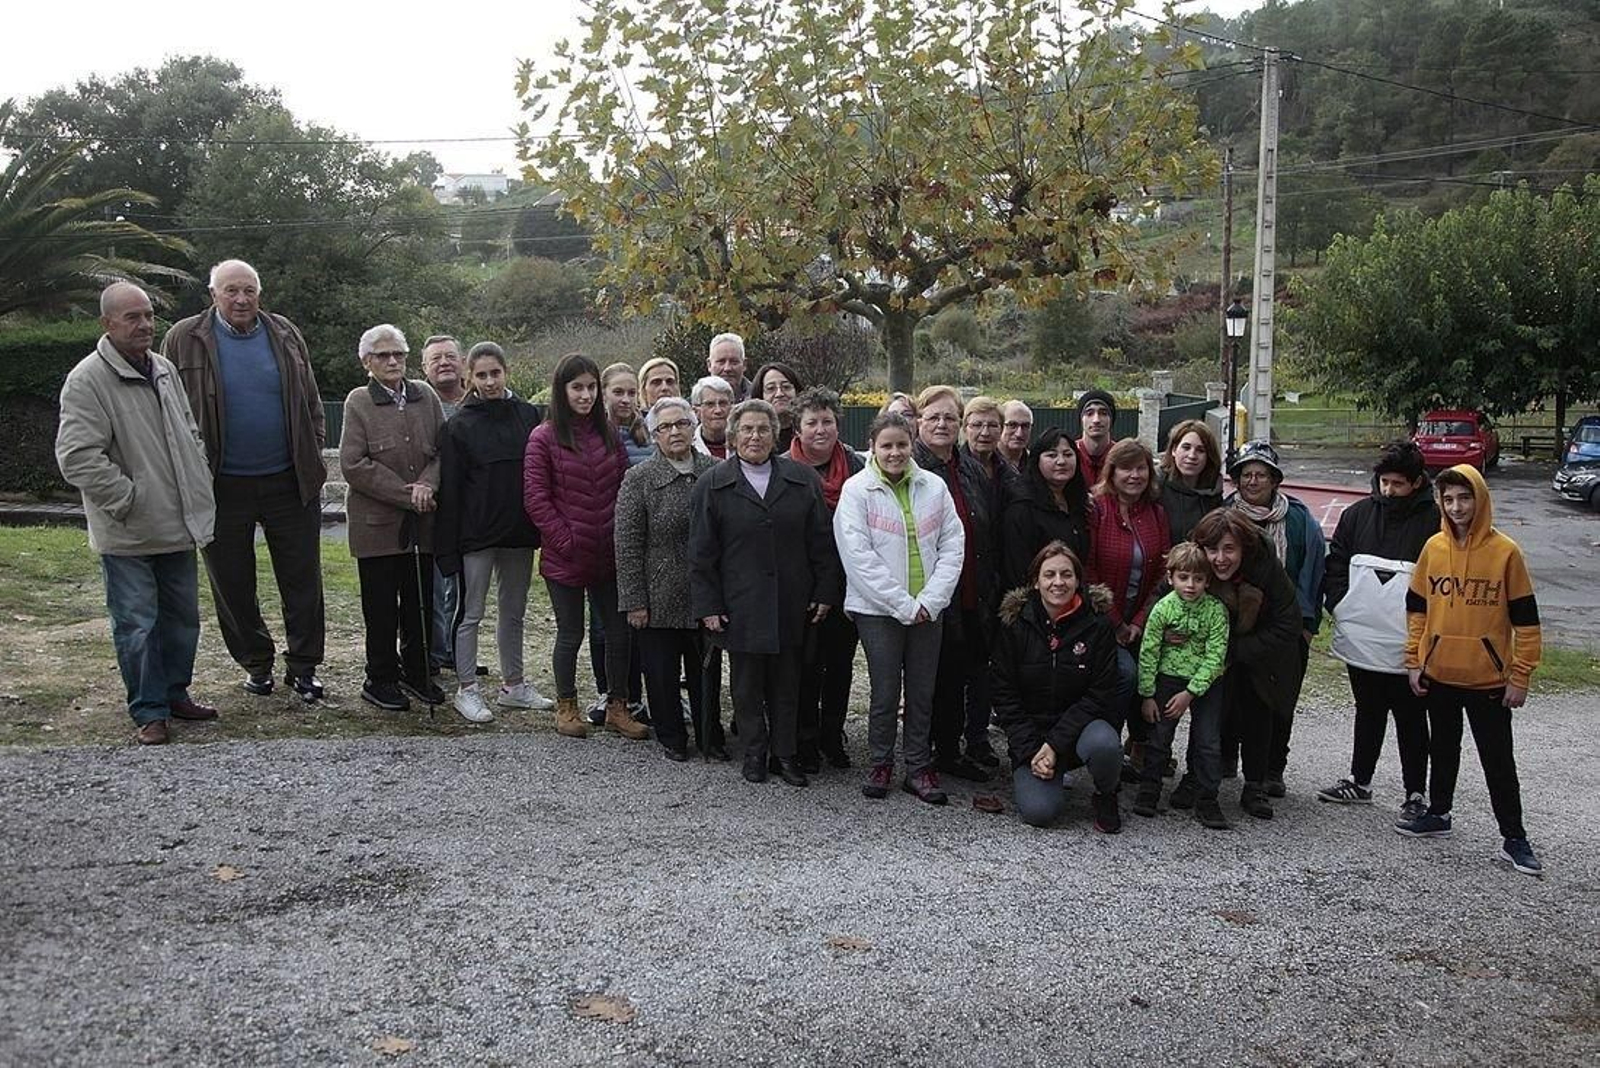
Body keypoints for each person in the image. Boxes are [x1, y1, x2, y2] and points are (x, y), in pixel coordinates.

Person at [56, 283, 218, 746]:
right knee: (137, 625)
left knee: (183, 620)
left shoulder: (163, 368)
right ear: (107, 324)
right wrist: (129, 498)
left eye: (148, 315)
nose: (145, 325)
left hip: (178, 524)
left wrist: (197, 473)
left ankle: (175, 694)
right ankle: (149, 711)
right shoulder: (87, 380)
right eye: (132, 317)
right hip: (128, 531)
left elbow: (189, 431)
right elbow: (77, 457)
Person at [163, 259, 327, 702]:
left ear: (260, 293)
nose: (241, 299)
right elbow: (168, 408)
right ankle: (256, 664)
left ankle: (304, 667)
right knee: (233, 584)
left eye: (249, 290)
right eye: (231, 291)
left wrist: (313, 448)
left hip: (289, 481)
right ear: (213, 294)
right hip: (219, 484)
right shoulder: (183, 338)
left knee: (303, 580)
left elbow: (311, 399)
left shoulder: (285, 332)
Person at [1398, 465, 1543, 878]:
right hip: (1439, 673)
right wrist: (1415, 661)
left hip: (1489, 680)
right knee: (1442, 749)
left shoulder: (1505, 553)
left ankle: (1514, 838)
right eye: (1449, 499)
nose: (1457, 507)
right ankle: (1439, 814)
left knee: (1498, 761)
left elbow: (1526, 621)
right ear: (1440, 503)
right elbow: (1417, 609)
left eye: (1465, 498)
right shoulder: (1434, 549)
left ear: (1479, 500)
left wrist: (1520, 674)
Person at [689, 399, 841, 787]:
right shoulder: (713, 483)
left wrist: (825, 592)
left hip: (793, 601)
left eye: (762, 429)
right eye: (747, 429)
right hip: (741, 605)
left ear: (776, 435)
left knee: (788, 683)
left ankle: (784, 754)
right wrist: (708, 605)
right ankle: (754, 752)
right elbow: (701, 553)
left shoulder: (802, 479)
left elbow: (822, 542)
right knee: (747, 684)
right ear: (734, 434)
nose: (754, 436)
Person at [835, 412, 965, 804]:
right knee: (885, 690)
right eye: (886, 445)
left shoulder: (934, 487)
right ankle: (880, 762)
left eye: (902, 444)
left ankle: (919, 767)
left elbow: (952, 545)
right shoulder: (856, 491)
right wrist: (902, 605)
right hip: (878, 611)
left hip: (928, 609)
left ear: (912, 445)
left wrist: (930, 601)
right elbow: (858, 557)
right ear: (872, 448)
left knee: (923, 691)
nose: (895, 452)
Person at [523, 354, 649, 742]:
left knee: (618, 633)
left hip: (609, 554)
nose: (586, 394)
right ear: (562, 390)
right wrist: (566, 539)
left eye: (592, 387)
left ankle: (617, 706)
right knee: (570, 635)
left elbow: (625, 488)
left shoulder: (610, 434)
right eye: (577, 387)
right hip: (567, 557)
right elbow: (536, 499)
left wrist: (620, 536)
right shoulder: (543, 437)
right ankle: (566, 706)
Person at [1317, 440, 1437, 821]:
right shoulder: (1356, 515)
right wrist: (1341, 603)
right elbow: (1336, 562)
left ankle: (1415, 792)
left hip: (1410, 640)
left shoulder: (1435, 522)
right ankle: (1360, 780)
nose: (1388, 490)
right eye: (1384, 482)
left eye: (1398, 484)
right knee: (1368, 709)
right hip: (1362, 636)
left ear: (1417, 483)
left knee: (1411, 716)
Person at [434, 342, 553, 724]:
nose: (489, 382)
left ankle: (514, 685)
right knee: (471, 613)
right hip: (476, 535)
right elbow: (450, 489)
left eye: (495, 373)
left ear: (506, 372)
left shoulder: (530, 416)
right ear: (470, 377)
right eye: (481, 375)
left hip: (518, 531)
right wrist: (447, 545)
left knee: (513, 612)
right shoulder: (458, 425)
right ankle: (466, 688)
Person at [338, 325, 447, 712]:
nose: (392, 361)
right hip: (377, 528)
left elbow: (441, 452)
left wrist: (428, 486)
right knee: (381, 607)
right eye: (383, 355)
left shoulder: (426, 396)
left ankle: (418, 670)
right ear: (367, 362)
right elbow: (353, 464)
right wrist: (407, 494)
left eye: (398, 353)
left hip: (424, 522)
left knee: (419, 600)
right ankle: (380, 676)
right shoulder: (358, 402)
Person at [1176, 509, 1302, 820]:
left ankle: (1255, 785)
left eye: (1229, 549)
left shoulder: (1266, 569)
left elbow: (1288, 622)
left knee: (1258, 711)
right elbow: (1166, 600)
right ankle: (1196, 776)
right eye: (1212, 549)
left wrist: (1236, 650)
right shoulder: (1194, 566)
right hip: (1211, 656)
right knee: (1209, 715)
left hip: (1258, 651)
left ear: (1243, 548)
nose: (1220, 558)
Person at [615, 396, 721, 762]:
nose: (674, 432)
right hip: (657, 595)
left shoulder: (716, 471)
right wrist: (634, 601)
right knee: (660, 674)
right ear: (654, 435)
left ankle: (710, 734)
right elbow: (627, 544)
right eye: (665, 427)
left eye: (681, 424)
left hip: (706, 594)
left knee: (704, 672)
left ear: (694, 428)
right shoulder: (638, 478)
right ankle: (672, 736)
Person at [992, 542, 1123, 832]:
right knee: (1039, 812)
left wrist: (1055, 744)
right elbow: (1004, 696)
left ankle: (1106, 793)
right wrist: (1032, 751)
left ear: (1078, 580)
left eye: (1067, 574)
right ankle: (1041, 771)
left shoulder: (1097, 626)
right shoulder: (1015, 625)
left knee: (1105, 744)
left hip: (1078, 732)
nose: (1058, 582)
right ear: (1036, 583)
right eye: (1049, 575)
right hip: (1033, 738)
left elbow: (1099, 694)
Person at [1225, 439, 1326, 796]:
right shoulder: (1226, 515)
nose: (1253, 481)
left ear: (1274, 479)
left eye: (1261, 474)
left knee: (1279, 699)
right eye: (1246, 474)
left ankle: (1272, 768)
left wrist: (1307, 626)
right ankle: (1228, 762)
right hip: (1237, 623)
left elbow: (1314, 570)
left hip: (1288, 624)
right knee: (1235, 697)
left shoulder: (1298, 519)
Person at [913, 385, 1003, 780]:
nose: (942, 424)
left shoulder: (969, 468)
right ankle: (929, 752)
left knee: (963, 672)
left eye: (950, 417)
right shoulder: (911, 468)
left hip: (973, 587)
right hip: (931, 591)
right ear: (919, 422)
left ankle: (951, 750)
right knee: (936, 677)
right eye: (933, 417)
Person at [788, 387, 865, 772]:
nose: (821, 429)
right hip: (801, 585)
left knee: (839, 664)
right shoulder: (783, 467)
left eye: (827, 421)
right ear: (797, 428)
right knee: (804, 665)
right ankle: (802, 738)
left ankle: (832, 736)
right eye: (812, 422)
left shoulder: (857, 466)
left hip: (848, 584)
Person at [1133, 541, 1231, 828]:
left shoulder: (1216, 611)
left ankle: (1207, 796)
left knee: (1208, 741)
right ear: (1170, 577)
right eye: (1184, 577)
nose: (1191, 585)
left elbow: (1216, 656)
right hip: (1166, 678)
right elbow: (1149, 652)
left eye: (1198, 579)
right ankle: (1149, 789)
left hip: (1204, 684)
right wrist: (1147, 694)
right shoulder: (1162, 609)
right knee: (1159, 737)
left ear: (1207, 580)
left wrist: (1191, 692)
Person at [1084, 438, 1171, 742]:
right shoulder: (1095, 508)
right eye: (1126, 468)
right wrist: (1117, 621)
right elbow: (1088, 569)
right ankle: (1103, 744)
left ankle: (1142, 749)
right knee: (1125, 675)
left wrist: (1137, 622)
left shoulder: (1155, 514)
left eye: (1141, 468)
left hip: (1142, 623)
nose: (1134, 475)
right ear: (1112, 471)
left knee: (1151, 679)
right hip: (1100, 623)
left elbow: (1164, 570)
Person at [421, 334, 468, 677]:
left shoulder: (478, 401)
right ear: (424, 369)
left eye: (450, 356)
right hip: (430, 510)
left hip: (470, 510)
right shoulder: (418, 405)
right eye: (435, 359)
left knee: (464, 590)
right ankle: (435, 653)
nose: (444, 363)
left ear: (463, 362)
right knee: (434, 588)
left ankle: (458, 651)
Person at [999, 426, 1090, 591]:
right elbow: (1017, 570)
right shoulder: (1022, 507)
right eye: (1052, 455)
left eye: (1068, 455)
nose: (1061, 461)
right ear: (1037, 461)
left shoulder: (1079, 503)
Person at [1158, 419, 1224, 543]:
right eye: (1186, 447)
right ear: (1174, 450)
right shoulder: (1156, 485)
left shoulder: (1213, 491)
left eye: (1200, 450)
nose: (1192, 455)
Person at [602, 362, 653, 466]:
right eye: (618, 392)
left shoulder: (652, 433)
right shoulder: (593, 437)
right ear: (603, 395)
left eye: (631, 393)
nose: (626, 400)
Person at [751, 361, 804, 453]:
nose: (779, 394)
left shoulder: (810, 430)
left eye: (786, 387)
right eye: (771, 389)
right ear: (760, 396)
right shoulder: (753, 437)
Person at [1074, 389, 1118, 489]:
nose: (1096, 420)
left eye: (1103, 413)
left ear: (1111, 420)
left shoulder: (1121, 456)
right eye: (1089, 413)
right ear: (1081, 419)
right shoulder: (1070, 455)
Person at [960, 396, 1005, 480]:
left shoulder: (1009, 471)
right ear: (965, 429)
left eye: (992, 425)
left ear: (1001, 430)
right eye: (977, 425)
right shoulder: (955, 471)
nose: (985, 433)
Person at [691, 375, 735, 460]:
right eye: (710, 404)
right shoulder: (688, 446)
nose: (718, 410)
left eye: (723, 403)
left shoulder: (744, 443)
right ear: (696, 411)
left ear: (732, 408)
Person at [707, 332, 753, 401]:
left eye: (734, 362)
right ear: (709, 365)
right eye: (721, 362)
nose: (727, 368)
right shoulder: (692, 407)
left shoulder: (760, 399)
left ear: (744, 365)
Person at [998, 400, 1034, 470]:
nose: (1019, 434)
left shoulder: (1036, 465)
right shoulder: (986, 464)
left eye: (1025, 426)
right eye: (1012, 425)